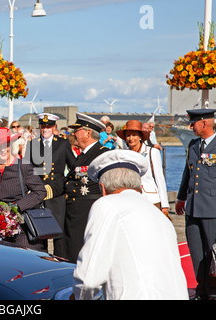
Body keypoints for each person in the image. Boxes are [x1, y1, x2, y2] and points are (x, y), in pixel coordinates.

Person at [71, 150, 188, 300]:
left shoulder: (106, 205)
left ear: (103, 188)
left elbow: (88, 279)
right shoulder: (160, 215)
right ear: (139, 185)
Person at [0, 127, 47, 251]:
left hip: (23, 232)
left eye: (6, 145)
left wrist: (16, 207)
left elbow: (40, 192)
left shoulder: (23, 166)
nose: (3, 150)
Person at [175, 108, 216, 300]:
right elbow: (187, 174)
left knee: (213, 255)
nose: (191, 126)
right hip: (193, 209)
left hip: (214, 210)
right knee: (197, 254)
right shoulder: (193, 145)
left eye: (193, 123)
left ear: (204, 123)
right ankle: (201, 290)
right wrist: (181, 198)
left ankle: (214, 293)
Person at [23, 113, 76, 257]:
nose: (45, 129)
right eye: (42, 126)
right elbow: (26, 168)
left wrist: (65, 184)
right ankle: (41, 260)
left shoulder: (63, 143)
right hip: (37, 193)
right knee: (40, 231)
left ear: (54, 127)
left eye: (48, 126)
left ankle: (60, 259)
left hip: (56, 193)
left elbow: (73, 166)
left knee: (58, 231)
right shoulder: (33, 144)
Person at [63, 113, 109, 263]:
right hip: (75, 213)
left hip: (87, 212)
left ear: (88, 133)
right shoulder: (83, 155)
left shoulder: (102, 154)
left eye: (77, 130)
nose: (73, 134)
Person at [116, 120, 170, 219]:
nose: (131, 138)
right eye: (128, 135)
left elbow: (159, 178)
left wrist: (165, 205)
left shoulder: (152, 152)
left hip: (151, 200)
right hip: (131, 200)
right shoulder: (124, 155)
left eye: (134, 135)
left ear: (140, 136)